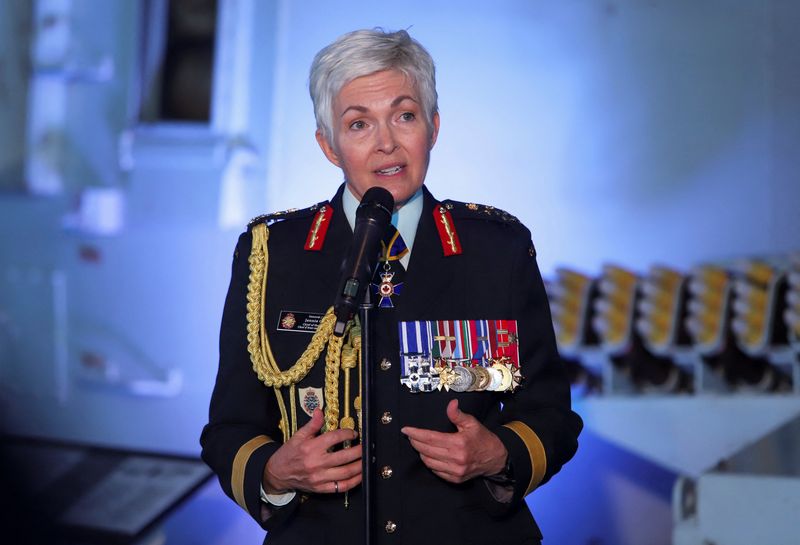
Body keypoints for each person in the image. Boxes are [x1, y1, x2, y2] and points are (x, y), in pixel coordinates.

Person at [200, 28, 582, 545]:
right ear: (328, 146)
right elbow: (229, 428)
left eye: (405, 116)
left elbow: (551, 415)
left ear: (433, 127)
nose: (387, 143)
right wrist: (275, 472)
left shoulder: (498, 249)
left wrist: (500, 455)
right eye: (358, 123)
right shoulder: (273, 253)